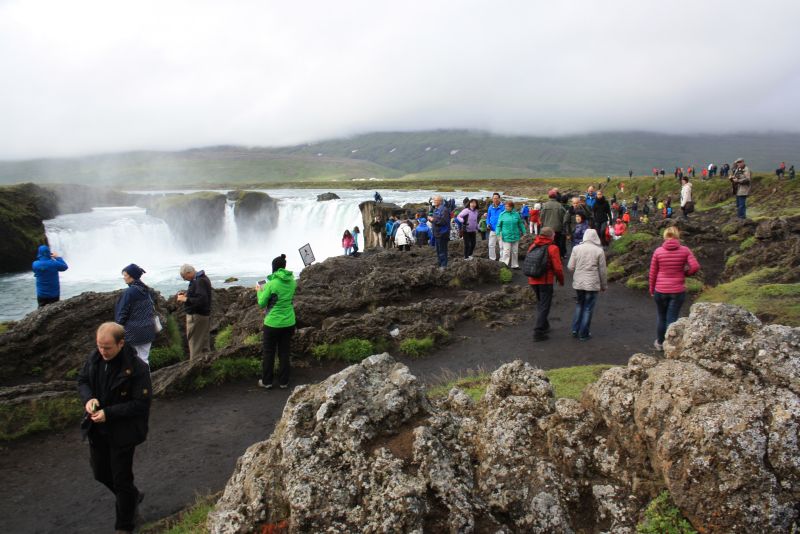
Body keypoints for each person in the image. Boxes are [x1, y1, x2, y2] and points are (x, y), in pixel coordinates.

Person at [77, 322, 151, 534]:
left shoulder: (137, 368)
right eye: (99, 346)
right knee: (100, 473)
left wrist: (109, 414)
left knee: (121, 479)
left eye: (107, 347)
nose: (102, 351)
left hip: (123, 432)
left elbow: (141, 404)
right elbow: (82, 380)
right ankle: (132, 496)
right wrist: (88, 398)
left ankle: (124, 526)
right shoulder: (95, 358)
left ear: (121, 343)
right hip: (97, 429)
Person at [648, 226, 700, 351]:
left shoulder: (658, 251)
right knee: (672, 318)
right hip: (677, 290)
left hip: (660, 290)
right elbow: (695, 266)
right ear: (677, 236)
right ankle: (670, 346)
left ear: (665, 236)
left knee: (661, 317)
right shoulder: (685, 250)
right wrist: (685, 273)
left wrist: (651, 289)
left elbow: (653, 273)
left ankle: (660, 343)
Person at [256, 254, 297, 390]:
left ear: (273, 268)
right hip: (289, 322)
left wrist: (259, 291)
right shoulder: (293, 282)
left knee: (269, 352)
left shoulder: (271, 284)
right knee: (284, 352)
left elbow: (262, 303)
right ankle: (283, 382)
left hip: (272, 323)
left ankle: (267, 382)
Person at [567, 228, 607, 341]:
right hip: (592, 283)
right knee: (588, 308)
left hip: (579, 283)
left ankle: (575, 330)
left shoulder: (576, 248)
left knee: (579, 305)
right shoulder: (599, 251)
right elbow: (602, 271)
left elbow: (570, 267)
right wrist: (604, 285)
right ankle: (583, 333)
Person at [527, 227, 564, 342]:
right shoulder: (553, 248)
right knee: (545, 306)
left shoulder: (533, 246)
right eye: (553, 235)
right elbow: (557, 268)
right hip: (545, 281)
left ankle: (544, 325)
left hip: (533, 280)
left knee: (541, 303)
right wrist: (561, 280)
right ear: (550, 236)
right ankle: (538, 332)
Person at [114, 264, 156, 365]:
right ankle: (146, 380)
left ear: (131, 275)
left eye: (125, 275)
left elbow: (122, 314)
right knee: (144, 360)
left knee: (131, 361)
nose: (124, 278)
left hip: (133, 333)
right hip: (148, 330)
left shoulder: (129, 292)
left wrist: (116, 331)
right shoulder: (147, 290)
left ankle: (135, 381)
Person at [176, 264, 212, 360]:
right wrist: (187, 295)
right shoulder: (201, 279)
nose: (184, 279)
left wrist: (185, 299)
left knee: (195, 344)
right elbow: (200, 296)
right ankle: (206, 366)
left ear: (189, 272)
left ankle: (194, 368)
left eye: (184, 277)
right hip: (203, 315)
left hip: (197, 316)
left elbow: (201, 300)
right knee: (204, 344)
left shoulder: (199, 281)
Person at [497, 200, 527, 269]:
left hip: (516, 236)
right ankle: (505, 265)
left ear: (512, 207)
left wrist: (524, 232)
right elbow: (498, 225)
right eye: (505, 206)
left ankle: (515, 265)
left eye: (508, 206)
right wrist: (498, 233)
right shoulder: (502, 214)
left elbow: (520, 224)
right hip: (506, 236)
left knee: (515, 251)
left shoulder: (516, 214)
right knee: (506, 252)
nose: (506, 207)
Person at [540, 189, 568, 257]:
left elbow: (541, 217)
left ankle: (548, 257)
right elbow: (564, 218)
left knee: (547, 244)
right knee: (557, 244)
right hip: (557, 229)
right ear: (556, 197)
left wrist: (542, 226)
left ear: (549, 196)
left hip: (547, 229)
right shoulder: (560, 206)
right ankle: (557, 257)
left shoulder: (544, 205)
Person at [428, 195, 451, 269]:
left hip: (442, 233)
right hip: (437, 233)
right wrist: (430, 219)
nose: (434, 201)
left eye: (435, 200)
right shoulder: (435, 209)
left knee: (442, 250)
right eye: (434, 200)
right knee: (438, 250)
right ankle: (440, 264)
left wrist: (432, 219)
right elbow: (436, 220)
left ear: (440, 201)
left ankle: (443, 265)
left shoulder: (444, 210)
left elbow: (443, 221)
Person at [486, 193, 505, 261]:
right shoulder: (490, 207)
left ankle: (502, 260)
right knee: (491, 245)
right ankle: (492, 259)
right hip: (492, 229)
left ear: (499, 198)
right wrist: (488, 224)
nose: (495, 199)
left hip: (501, 229)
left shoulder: (504, 207)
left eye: (497, 198)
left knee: (502, 246)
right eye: (494, 198)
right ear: (492, 199)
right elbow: (488, 217)